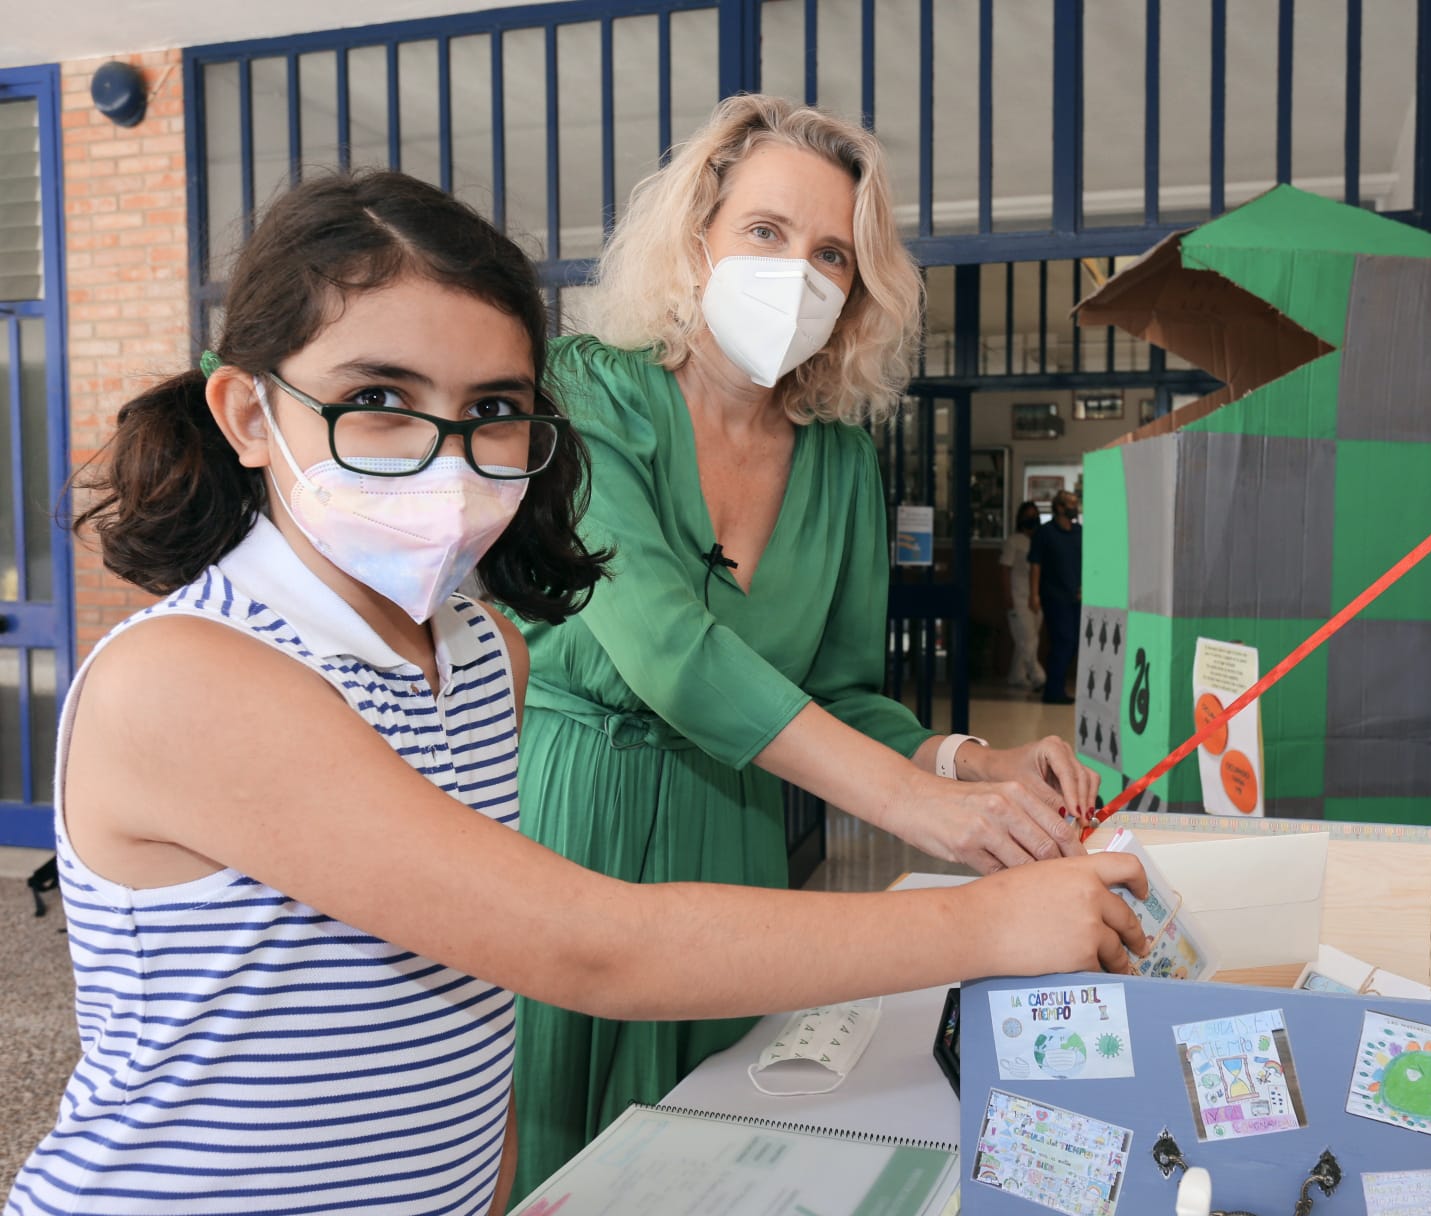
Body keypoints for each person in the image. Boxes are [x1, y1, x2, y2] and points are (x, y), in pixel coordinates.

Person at [3, 171, 1147, 1216]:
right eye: (380, 398)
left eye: (493, 409)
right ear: (251, 414)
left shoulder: (479, 648)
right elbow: (585, 947)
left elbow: (461, 1005)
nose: (444, 458)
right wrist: (981, 923)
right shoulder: (191, 677)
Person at [507, 94, 1105, 1196]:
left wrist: (972, 764)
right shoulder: (592, 395)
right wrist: (917, 810)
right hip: (573, 814)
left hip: (733, 831)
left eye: (832, 252)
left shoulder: (837, 464)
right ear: (698, 238)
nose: (799, 273)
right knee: (567, 1155)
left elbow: (839, 692)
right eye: (767, 232)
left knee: (720, 1150)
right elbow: (671, 653)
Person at [1030, 489, 1084, 704]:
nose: (1075, 507)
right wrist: (1034, 595)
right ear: (1059, 507)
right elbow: (1035, 565)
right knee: (1063, 641)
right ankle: (1053, 692)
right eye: (1070, 503)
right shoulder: (1045, 533)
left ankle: (1058, 688)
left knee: (1073, 643)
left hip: (1077, 596)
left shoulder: (1080, 531)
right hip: (1054, 596)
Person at [1001, 500, 1045, 690]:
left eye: (1035, 515)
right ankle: (1039, 677)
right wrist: (1007, 597)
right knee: (1028, 640)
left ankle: (1016, 676)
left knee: (1027, 639)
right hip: (1018, 598)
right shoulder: (1014, 541)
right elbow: (1004, 569)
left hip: (1036, 598)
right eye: (1027, 516)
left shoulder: (1040, 540)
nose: (1032, 519)